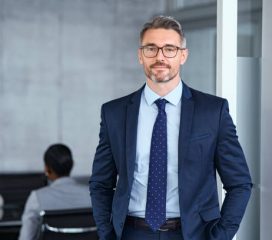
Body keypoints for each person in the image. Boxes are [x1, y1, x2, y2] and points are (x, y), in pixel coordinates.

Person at [89, 16, 252, 240]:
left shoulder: (213, 111)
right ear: (140, 55)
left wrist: (220, 236)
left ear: (183, 55)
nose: (160, 57)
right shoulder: (114, 113)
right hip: (132, 233)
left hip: (193, 234)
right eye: (151, 49)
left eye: (169, 49)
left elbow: (240, 183)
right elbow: (100, 183)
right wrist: (107, 235)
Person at [19, 143, 91, 240]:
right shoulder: (93, 195)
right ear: (72, 164)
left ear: (47, 169)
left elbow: (26, 237)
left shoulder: (37, 198)